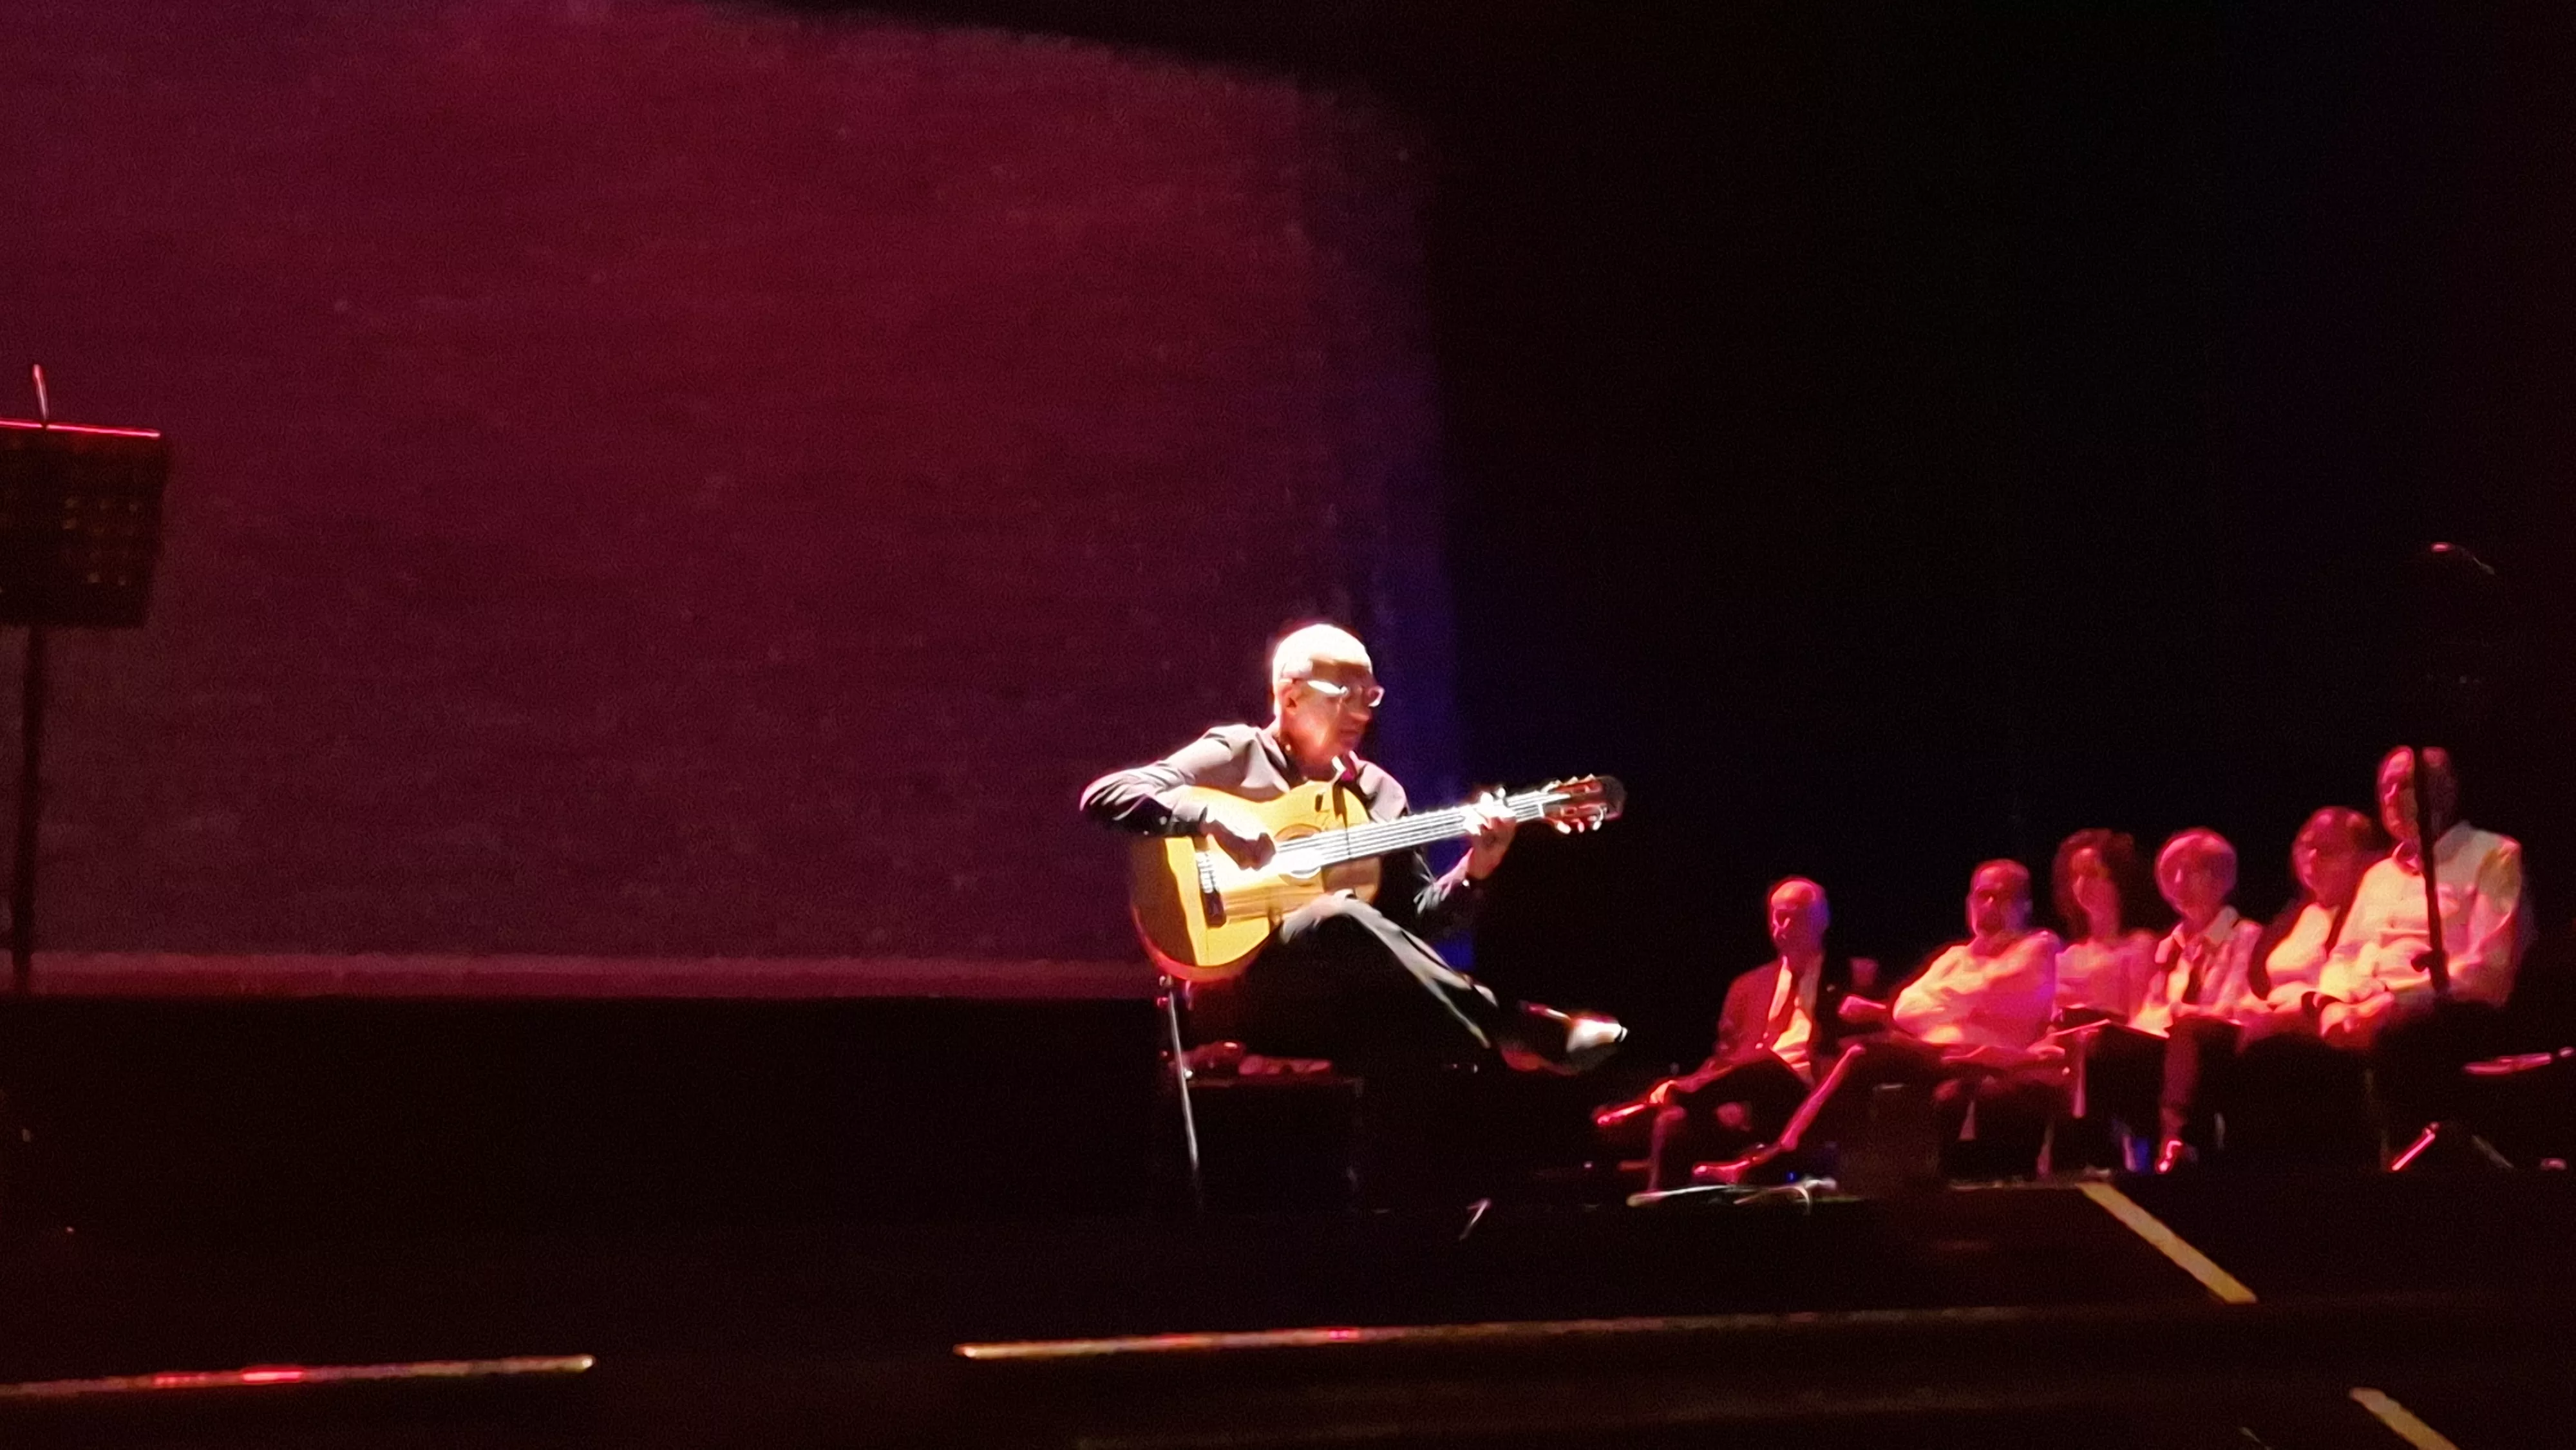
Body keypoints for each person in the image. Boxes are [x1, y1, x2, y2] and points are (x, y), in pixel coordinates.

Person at [1078, 622, 1626, 1081]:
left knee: (1374, 966)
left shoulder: (1380, 792)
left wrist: (1477, 867)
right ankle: (1515, 1027)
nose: (1363, 713)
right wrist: (1212, 817)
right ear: (1291, 697)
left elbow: (1410, 927)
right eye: (1346, 695)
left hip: (1339, 1003)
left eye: (1372, 696)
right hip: (1244, 989)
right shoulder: (1239, 754)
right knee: (1334, 915)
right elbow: (1108, 796)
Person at [2308, 746, 2530, 1136]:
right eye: (2385, 787)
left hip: (2444, 1010)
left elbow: (2487, 971)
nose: (2391, 796)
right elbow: (2346, 952)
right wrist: (2331, 1004)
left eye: (2405, 785)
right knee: (2269, 1048)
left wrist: (2392, 1003)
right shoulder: (2378, 875)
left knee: (2399, 1038)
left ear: (2442, 792)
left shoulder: (2493, 854)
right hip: (2363, 1007)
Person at [1604, 878, 1879, 1191]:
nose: (1783, 926)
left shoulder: (1856, 975)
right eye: (1777, 916)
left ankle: (1665, 1095)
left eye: (1795, 916)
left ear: (1823, 920)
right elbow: (1726, 1058)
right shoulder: (1747, 987)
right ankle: (1661, 1218)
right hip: (1747, 1094)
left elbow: (1865, 1050)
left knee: (1767, 1062)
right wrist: (1725, 1100)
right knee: (1674, 1123)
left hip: (1807, 1097)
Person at [1834, 861, 2063, 1174]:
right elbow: (1906, 1008)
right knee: (1859, 1052)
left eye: (2002, 897)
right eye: (1982, 897)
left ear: (2026, 907)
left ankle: (1796, 1148)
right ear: (1969, 904)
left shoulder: (2039, 947)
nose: (1989, 906)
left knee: (1872, 1058)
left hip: (1991, 1060)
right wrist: (1969, 1006)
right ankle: (1845, 1165)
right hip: (1939, 1056)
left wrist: (1948, 1003)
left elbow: (1994, 991)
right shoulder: (1955, 956)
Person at [2049, 829, 2163, 1023]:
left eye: (2092, 873)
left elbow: (2142, 1020)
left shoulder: (2140, 946)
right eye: (2075, 876)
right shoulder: (2066, 956)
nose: (2082, 884)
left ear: (2118, 879)